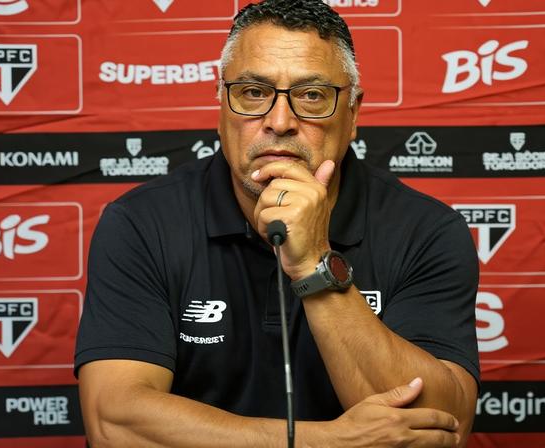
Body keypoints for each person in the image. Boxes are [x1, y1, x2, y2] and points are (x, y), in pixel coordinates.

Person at [75, 0, 480, 446]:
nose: (280, 122)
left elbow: (442, 424)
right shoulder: (141, 223)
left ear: (353, 114)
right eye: (252, 92)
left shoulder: (426, 230)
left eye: (312, 96)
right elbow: (115, 425)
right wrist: (326, 443)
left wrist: (315, 264)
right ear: (221, 103)